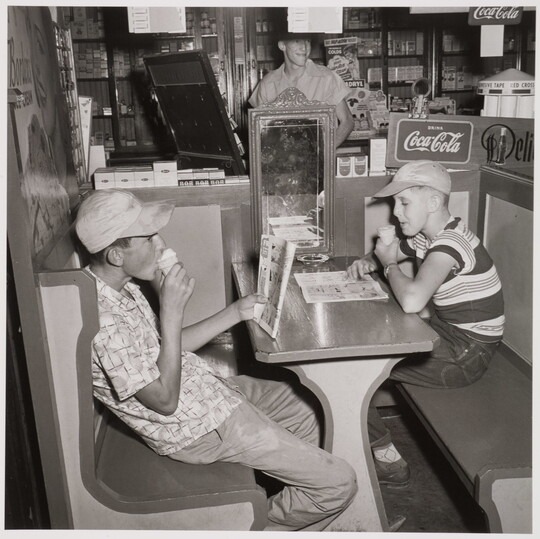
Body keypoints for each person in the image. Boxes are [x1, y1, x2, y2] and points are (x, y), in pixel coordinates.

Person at [75, 189, 357, 531]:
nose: (161, 244)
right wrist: (171, 311)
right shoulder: (102, 322)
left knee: (309, 410)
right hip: (196, 429)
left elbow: (169, 349)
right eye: (148, 238)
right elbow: (164, 401)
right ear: (117, 254)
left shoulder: (122, 287)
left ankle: (302, 496)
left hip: (209, 392)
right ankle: (255, 525)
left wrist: (235, 313)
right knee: (339, 483)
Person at [347, 160, 505, 487]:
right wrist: (369, 260)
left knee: (352, 371)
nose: (396, 213)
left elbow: (412, 300)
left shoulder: (450, 245)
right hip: (449, 336)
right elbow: (397, 250)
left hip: (467, 355)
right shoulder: (429, 235)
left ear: (433, 203)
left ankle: (386, 459)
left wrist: (389, 265)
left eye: (404, 203)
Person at [249, 28, 353, 148]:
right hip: (281, 162)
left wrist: (324, 152)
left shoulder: (327, 78)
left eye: (307, 41)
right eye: (297, 41)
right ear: (282, 45)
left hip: (318, 164)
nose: (304, 47)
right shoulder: (267, 84)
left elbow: (347, 122)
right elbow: (259, 129)